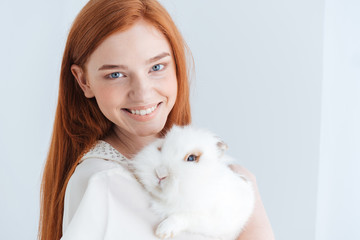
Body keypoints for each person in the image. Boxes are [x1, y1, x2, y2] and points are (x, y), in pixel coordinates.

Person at [39, 0, 275, 239]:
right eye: (116, 74)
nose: (142, 93)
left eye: (156, 67)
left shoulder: (200, 165)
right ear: (84, 81)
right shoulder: (104, 183)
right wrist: (254, 218)